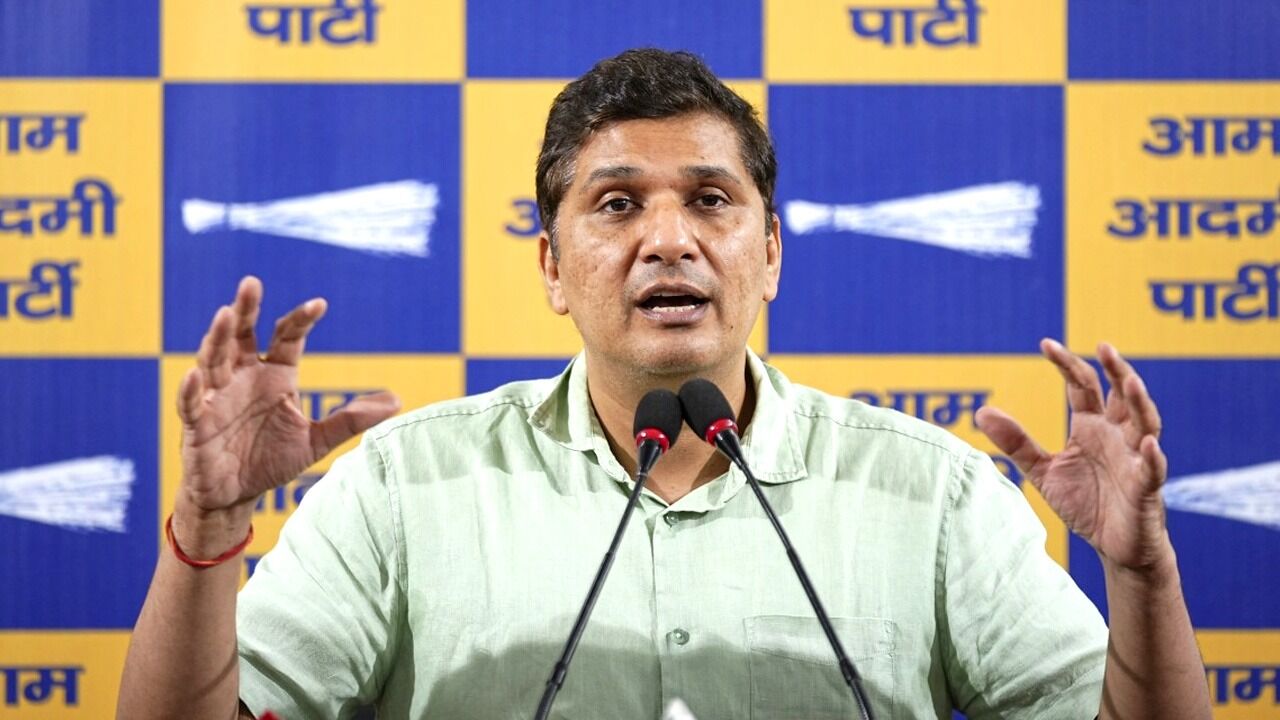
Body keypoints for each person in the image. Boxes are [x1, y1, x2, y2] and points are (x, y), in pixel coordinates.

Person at [118, 49, 1211, 719]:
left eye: (710, 200)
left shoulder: (931, 494)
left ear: (769, 253)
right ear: (552, 268)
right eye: (615, 205)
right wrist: (208, 524)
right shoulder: (405, 486)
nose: (669, 240)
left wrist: (1143, 578)